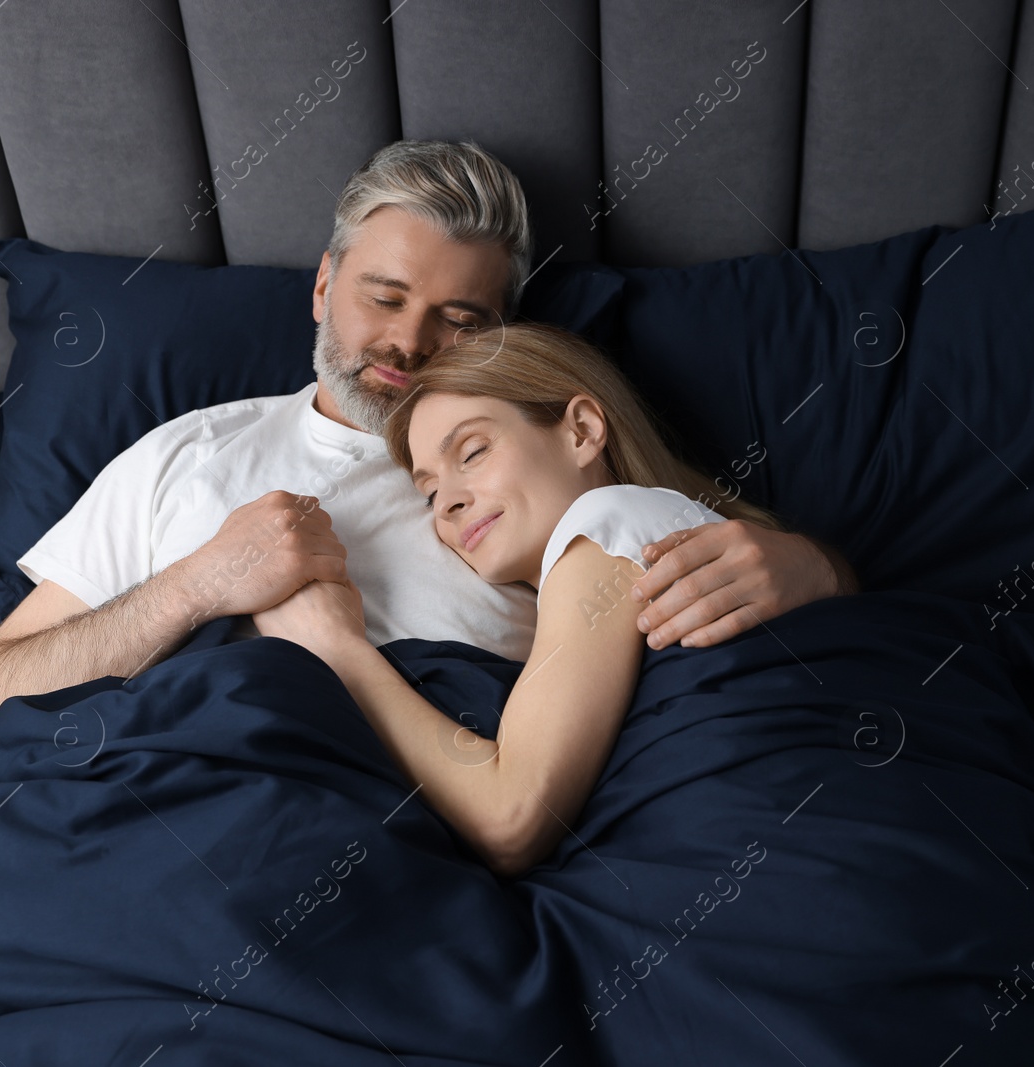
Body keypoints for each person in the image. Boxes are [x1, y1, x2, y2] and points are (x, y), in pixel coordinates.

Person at [0, 140, 857, 749]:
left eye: (460, 320)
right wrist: (201, 583)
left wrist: (813, 570)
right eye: (383, 298)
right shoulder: (185, 453)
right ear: (322, 287)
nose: (410, 344)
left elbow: (686, 560)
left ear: (506, 335)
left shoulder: (534, 476)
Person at [251, 323, 792, 878]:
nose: (449, 504)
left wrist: (336, 651)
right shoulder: (642, 536)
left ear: (580, 430)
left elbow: (510, 821)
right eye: (430, 491)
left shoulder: (606, 524)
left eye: (475, 451)